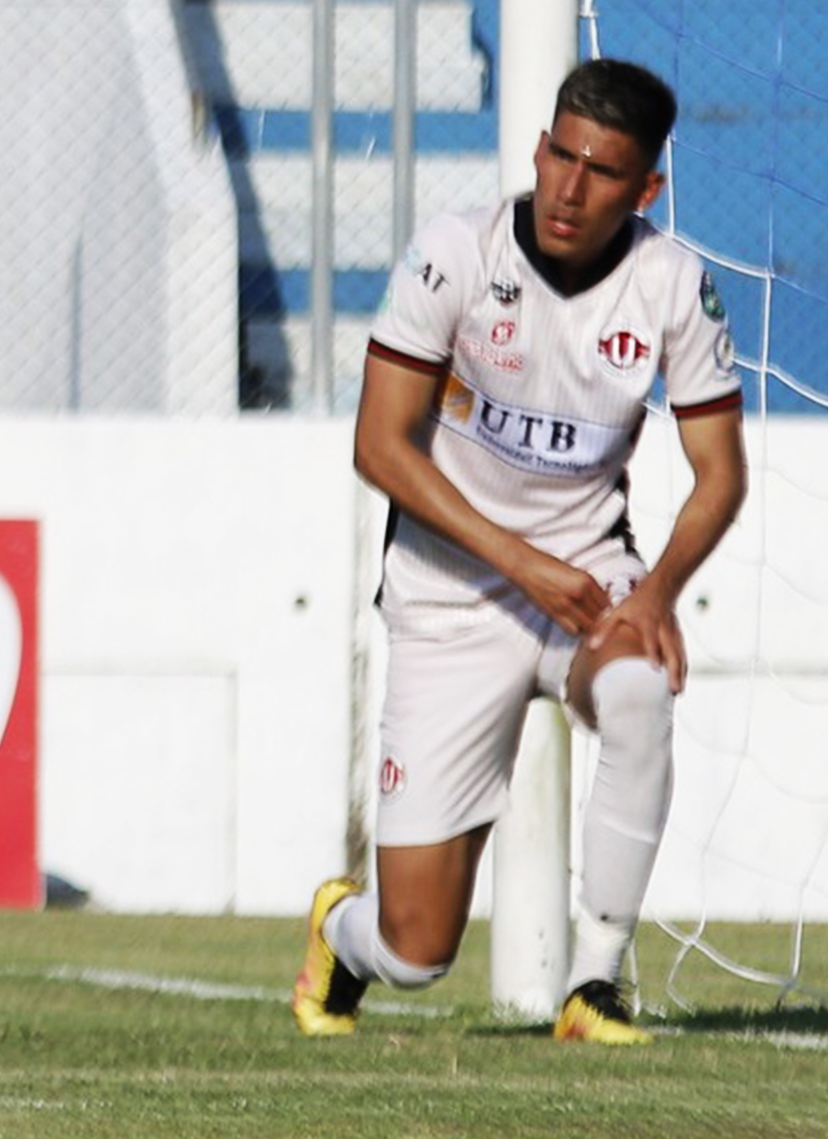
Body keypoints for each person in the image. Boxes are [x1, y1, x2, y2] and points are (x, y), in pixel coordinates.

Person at [292, 57, 747, 1045]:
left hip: (589, 578)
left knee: (639, 693)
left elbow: (720, 475)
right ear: (540, 149)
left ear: (647, 190)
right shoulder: (453, 255)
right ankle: (341, 929)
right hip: (451, 596)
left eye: (603, 173)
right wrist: (518, 559)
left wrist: (658, 591)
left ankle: (595, 985)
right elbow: (380, 443)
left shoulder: (672, 287)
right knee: (417, 953)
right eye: (561, 157)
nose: (571, 190)